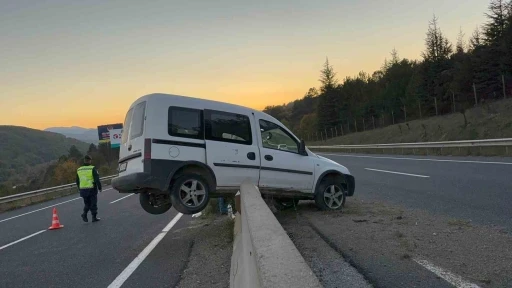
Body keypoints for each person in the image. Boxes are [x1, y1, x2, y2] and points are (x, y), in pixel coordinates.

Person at [76, 155, 102, 222]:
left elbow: (77, 181)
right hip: (91, 189)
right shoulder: (92, 168)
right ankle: (94, 217)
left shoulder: (79, 169)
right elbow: (97, 179)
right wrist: (100, 187)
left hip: (83, 190)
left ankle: (84, 214)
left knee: (87, 204)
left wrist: (79, 188)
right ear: (90, 160)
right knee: (93, 203)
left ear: (84, 160)